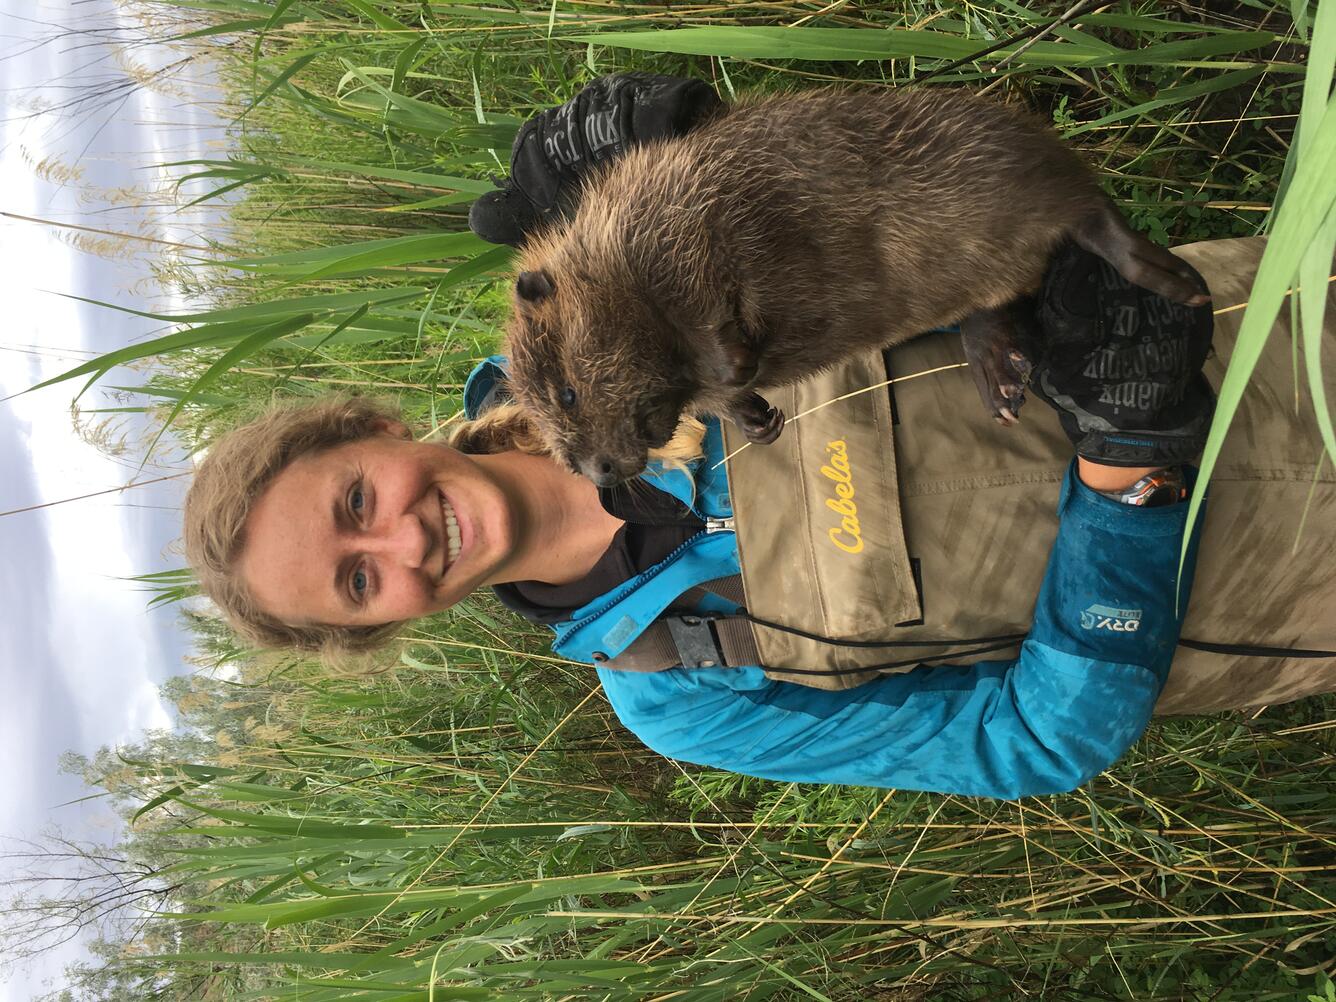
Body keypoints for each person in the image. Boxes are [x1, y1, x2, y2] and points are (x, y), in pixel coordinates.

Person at [182, 77, 1336, 800]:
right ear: (387, 627)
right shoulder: (684, 692)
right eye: (359, 582)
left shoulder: (586, 287)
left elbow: (891, 177)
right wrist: (1125, 470)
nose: (399, 540)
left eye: (351, 503)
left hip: (1289, 336)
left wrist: (685, 152)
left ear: (371, 430)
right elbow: (1027, 746)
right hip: (1303, 585)